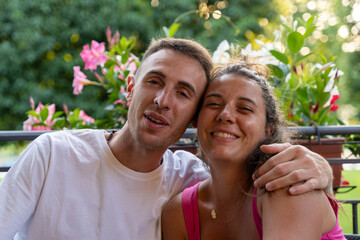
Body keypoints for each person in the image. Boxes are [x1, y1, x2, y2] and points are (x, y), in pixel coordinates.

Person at [0, 38, 333, 240]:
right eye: (154, 81)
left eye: (184, 93)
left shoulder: (188, 178)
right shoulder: (52, 154)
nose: (163, 100)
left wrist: (321, 169)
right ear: (132, 87)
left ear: (192, 114)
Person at [161, 60, 345, 239]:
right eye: (214, 104)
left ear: (268, 129)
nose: (225, 115)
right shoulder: (179, 214)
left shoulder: (287, 185)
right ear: (196, 120)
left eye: (245, 108)